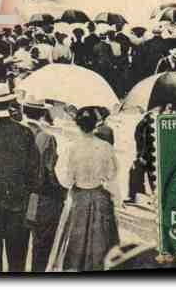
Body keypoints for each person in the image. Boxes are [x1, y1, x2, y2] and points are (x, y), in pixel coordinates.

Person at [0, 83, 39, 272]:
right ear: (10, 103)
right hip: (19, 205)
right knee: (17, 260)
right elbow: (34, 171)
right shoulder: (26, 132)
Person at [48, 108, 120, 272]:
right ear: (96, 125)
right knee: (101, 240)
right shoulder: (105, 146)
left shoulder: (70, 147)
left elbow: (65, 179)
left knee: (73, 238)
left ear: (77, 124)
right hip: (99, 196)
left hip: (78, 197)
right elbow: (112, 173)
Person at [21, 100, 65, 273]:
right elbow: (51, 171)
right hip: (40, 201)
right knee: (40, 249)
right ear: (41, 114)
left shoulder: (15, 132)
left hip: (15, 199)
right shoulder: (46, 138)